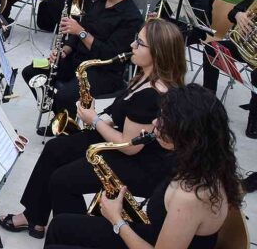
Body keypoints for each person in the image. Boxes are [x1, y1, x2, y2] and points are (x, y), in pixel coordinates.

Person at [2, 18, 185, 239]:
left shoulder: (152, 94)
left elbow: (130, 147)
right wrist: (100, 118)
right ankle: (35, 216)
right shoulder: (145, 75)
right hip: (123, 144)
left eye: (140, 43)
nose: (132, 46)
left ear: (158, 52)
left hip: (139, 164)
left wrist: (94, 120)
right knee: (55, 149)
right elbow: (125, 119)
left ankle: (74, 235)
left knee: (62, 180)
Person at [44, 84, 243, 249]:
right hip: (154, 235)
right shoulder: (204, 162)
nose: (155, 121)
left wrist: (117, 220)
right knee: (59, 226)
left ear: (186, 133)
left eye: (164, 118)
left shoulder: (191, 196)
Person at [22, 0, 144, 134]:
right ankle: (61, 119)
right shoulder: (97, 0)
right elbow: (76, 32)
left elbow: (109, 55)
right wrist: (64, 50)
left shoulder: (131, 17)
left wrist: (81, 32)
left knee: (65, 95)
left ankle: (66, 127)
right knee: (31, 71)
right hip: (76, 60)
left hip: (103, 71)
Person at [201, 0, 256, 138]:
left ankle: (254, 119)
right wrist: (239, 15)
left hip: (253, 49)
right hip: (245, 44)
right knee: (212, 48)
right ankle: (208, 99)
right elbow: (233, 12)